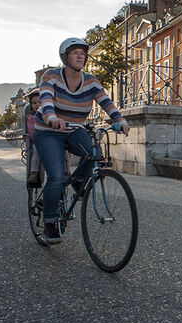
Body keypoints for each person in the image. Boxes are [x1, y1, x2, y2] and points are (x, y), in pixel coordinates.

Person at [33, 37, 129, 244]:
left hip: (74, 129)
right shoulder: (51, 76)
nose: (80, 56)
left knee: (95, 153)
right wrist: (51, 117)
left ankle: (77, 181)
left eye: (83, 53)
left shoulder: (91, 81)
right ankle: (50, 221)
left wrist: (119, 119)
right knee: (56, 176)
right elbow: (46, 99)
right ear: (65, 57)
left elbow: (106, 102)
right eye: (75, 53)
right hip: (49, 131)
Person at [24, 88, 42, 187]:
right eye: (34, 103)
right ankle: (33, 172)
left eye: (40, 102)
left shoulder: (49, 115)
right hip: (37, 141)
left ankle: (66, 171)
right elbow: (31, 132)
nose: (37, 105)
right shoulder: (31, 118)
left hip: (49, 140)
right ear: (31, 105)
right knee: (37, 149)